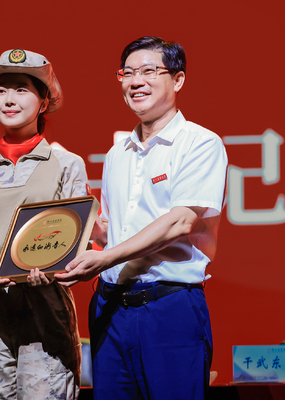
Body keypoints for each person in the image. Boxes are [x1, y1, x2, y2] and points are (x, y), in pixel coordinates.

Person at [55, 37, 228, 399]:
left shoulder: (200, 143)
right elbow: (109, 231)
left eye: (149, 71)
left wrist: (105, 258)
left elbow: (180, 221)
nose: (136, 82)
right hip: (110, 308)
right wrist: (68, 228)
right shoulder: (117, 154)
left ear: (177, 80)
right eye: (128, 73)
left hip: (168, 307)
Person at [0, 48, 87, 400]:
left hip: (46, 308)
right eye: (1, 90)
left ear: (43, 102)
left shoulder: (66, 164)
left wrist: (56, 269)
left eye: (21, 89)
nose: (9, 99)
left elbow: (78, 240)